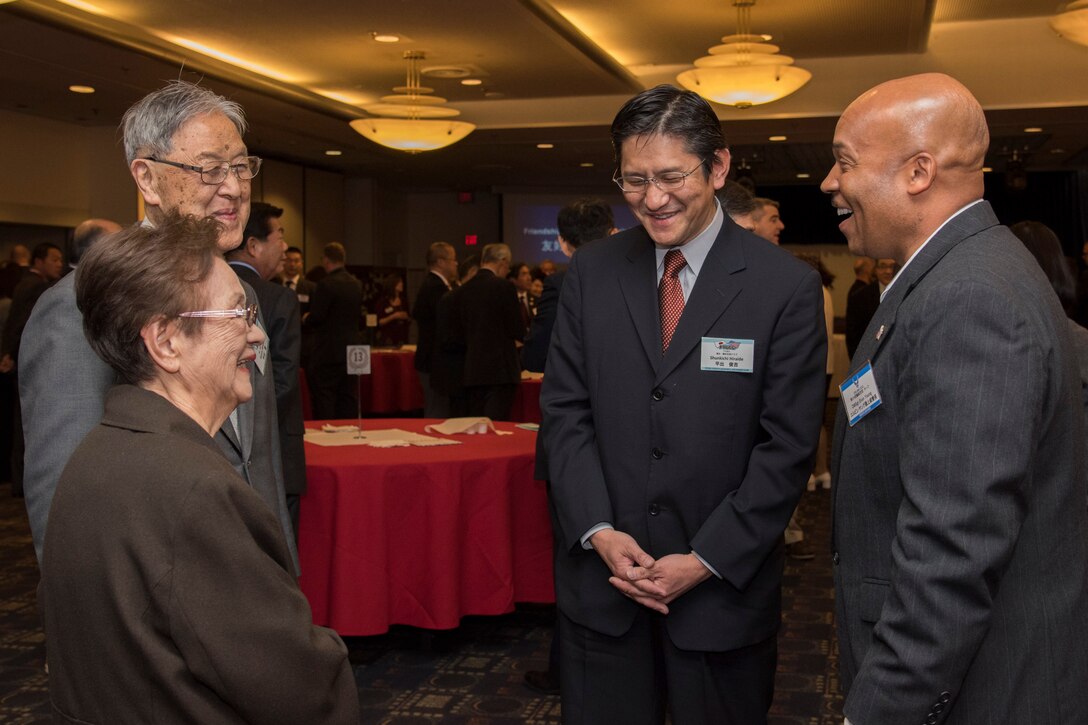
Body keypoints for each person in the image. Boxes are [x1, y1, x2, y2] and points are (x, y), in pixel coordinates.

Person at [541, 84, 826, 724]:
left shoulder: (784, 286)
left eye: (672, 177)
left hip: (722, 592)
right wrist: (598, 531)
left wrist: (706, 558)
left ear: (718, 167)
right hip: (605, 589)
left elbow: (786, 446)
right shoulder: (592, 273)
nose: (653, 199)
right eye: (634, 180)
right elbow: (565, 413)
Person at [824, 73, 1088, 725]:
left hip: (984, 688)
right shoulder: (957, 275)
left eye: (845, 162)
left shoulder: (969, 297)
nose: (829, 182)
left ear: (919, 172)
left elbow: (952, 551)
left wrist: (879, 711)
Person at [41, 214, 359, 723]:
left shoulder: (97, 453)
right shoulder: (194, 489)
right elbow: (294, 686)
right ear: (167, 341)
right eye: (236, 313)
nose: (256, 335)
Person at [19, 80, 296, 569]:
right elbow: (64, 499)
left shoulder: (242, 294)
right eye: (209, 168)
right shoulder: (81, 305)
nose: (233, 188)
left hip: (252, 575)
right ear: (146, 179)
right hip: (160, 585)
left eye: (240, 167)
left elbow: (257, 457)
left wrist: (282, 569)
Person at [522, 196, 615, 696]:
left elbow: (540, 355)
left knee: (576, 559)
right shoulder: (638, 274)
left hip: (574, 440)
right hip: (622, 445)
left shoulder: (565, 281)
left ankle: (570, 671)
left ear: (561, 243)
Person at [226, 201, 306, 537]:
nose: (285, 248)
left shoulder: (204, 289)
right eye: (279, 237)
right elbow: (283, 380)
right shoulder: (278, 298)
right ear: (254, 246)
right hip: (273, 448)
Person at [522, 198, 614, 374]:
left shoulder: (560, 284)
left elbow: (535, 356)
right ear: (612, 234)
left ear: (562, 243)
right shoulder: (635, 278)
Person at [1, 243, 63, 497]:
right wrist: (10, 353)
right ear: (39, 261)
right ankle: (23, 482)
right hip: (28, 361)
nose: (59, 264)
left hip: (18, 359)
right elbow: (22, 324)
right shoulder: (37, 287)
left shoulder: (25, 283)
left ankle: (19, 481)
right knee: (26, 424)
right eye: (54, 259)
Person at [450, 243, 523, 420]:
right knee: (498, 424)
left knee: (477, 424)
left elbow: (458, 331)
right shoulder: (504, 287)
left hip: (473, 369)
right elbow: (517, 328)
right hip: (501, 370)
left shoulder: (463, 290)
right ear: (502, 262)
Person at [304, 242, 362, 419]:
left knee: (325, 396)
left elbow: (317, 317)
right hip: (351, 349)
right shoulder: (356, 284)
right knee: (348, 395)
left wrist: (306, 318)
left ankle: (327, 430)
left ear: (326, 260)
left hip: (328, 351)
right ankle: (349, 429)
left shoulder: (325, 284)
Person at [413, 241, 458, 417]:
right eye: (453, 259)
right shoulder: (436, 288)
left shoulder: (433, 285)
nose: (456, 264)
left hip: (432, 359)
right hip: (434, 361)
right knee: (436, 412)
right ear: (440, 262)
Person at [843, 258, 896, 360]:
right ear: (875, 269)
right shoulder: (859, 297)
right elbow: (852, 338)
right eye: (883, 266)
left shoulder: (908, 293)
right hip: (868, 361)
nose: (888, 271)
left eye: (892, 266)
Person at [373, 274, 411, 346]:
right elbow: (379, 322)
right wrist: (394, 316)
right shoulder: (383, 302)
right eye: (399, 282)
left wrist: (405, 317)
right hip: (388, 338)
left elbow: (409, 318)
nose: (402, 284)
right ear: (393, 284)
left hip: (402, 338)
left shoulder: (403, 300)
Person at [508, 261, 535, 337]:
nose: (529, 278)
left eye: (529, 273)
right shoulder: (508, 301)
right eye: (524, 274)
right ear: (513, 280)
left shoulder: (537, 300)